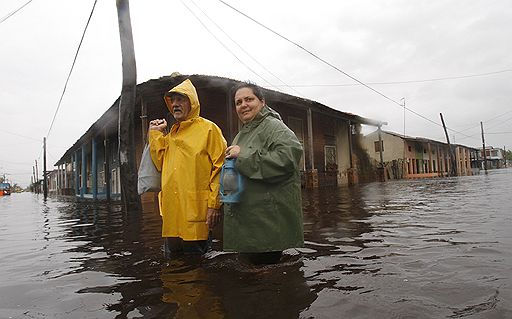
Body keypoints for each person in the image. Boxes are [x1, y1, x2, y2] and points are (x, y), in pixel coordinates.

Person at [223, 82, 304, 264]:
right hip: (248, 223)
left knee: (268, 284)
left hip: (266, 225)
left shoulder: (274, 127)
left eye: (249, 99)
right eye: (238, 102)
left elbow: (288, 158)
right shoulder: (243, 133)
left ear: (262, 102)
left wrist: (242, 155)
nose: (243, 105)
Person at [148, 79, 227, 256]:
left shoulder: (209, 129)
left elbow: (220, 167)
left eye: (180, 100)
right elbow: (159, 161)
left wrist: (214, 205)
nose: (175, 104)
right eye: (173, 101)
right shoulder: (171, 134)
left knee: (197, 266)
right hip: (171, 214)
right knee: (173, 265)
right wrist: (155, 133)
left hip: (196, 212)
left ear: (192, 102)